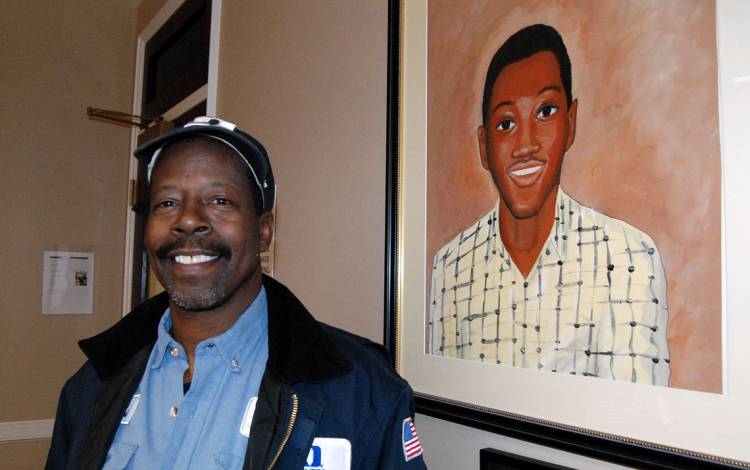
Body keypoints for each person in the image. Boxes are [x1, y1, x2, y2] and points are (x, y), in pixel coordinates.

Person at [47, 117, 426, 469]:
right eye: (167, 203)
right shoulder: (90, 387)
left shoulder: (361, 390)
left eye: (219, 200)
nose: (188, 220)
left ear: (264, 231)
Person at [428, 25, 670, 386]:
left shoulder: (627, 259)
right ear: (484, 147)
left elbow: (635, 424)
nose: (525, 144)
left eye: (545, 112)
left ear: (570, 124)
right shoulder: (450, 268)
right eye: (506, 123)